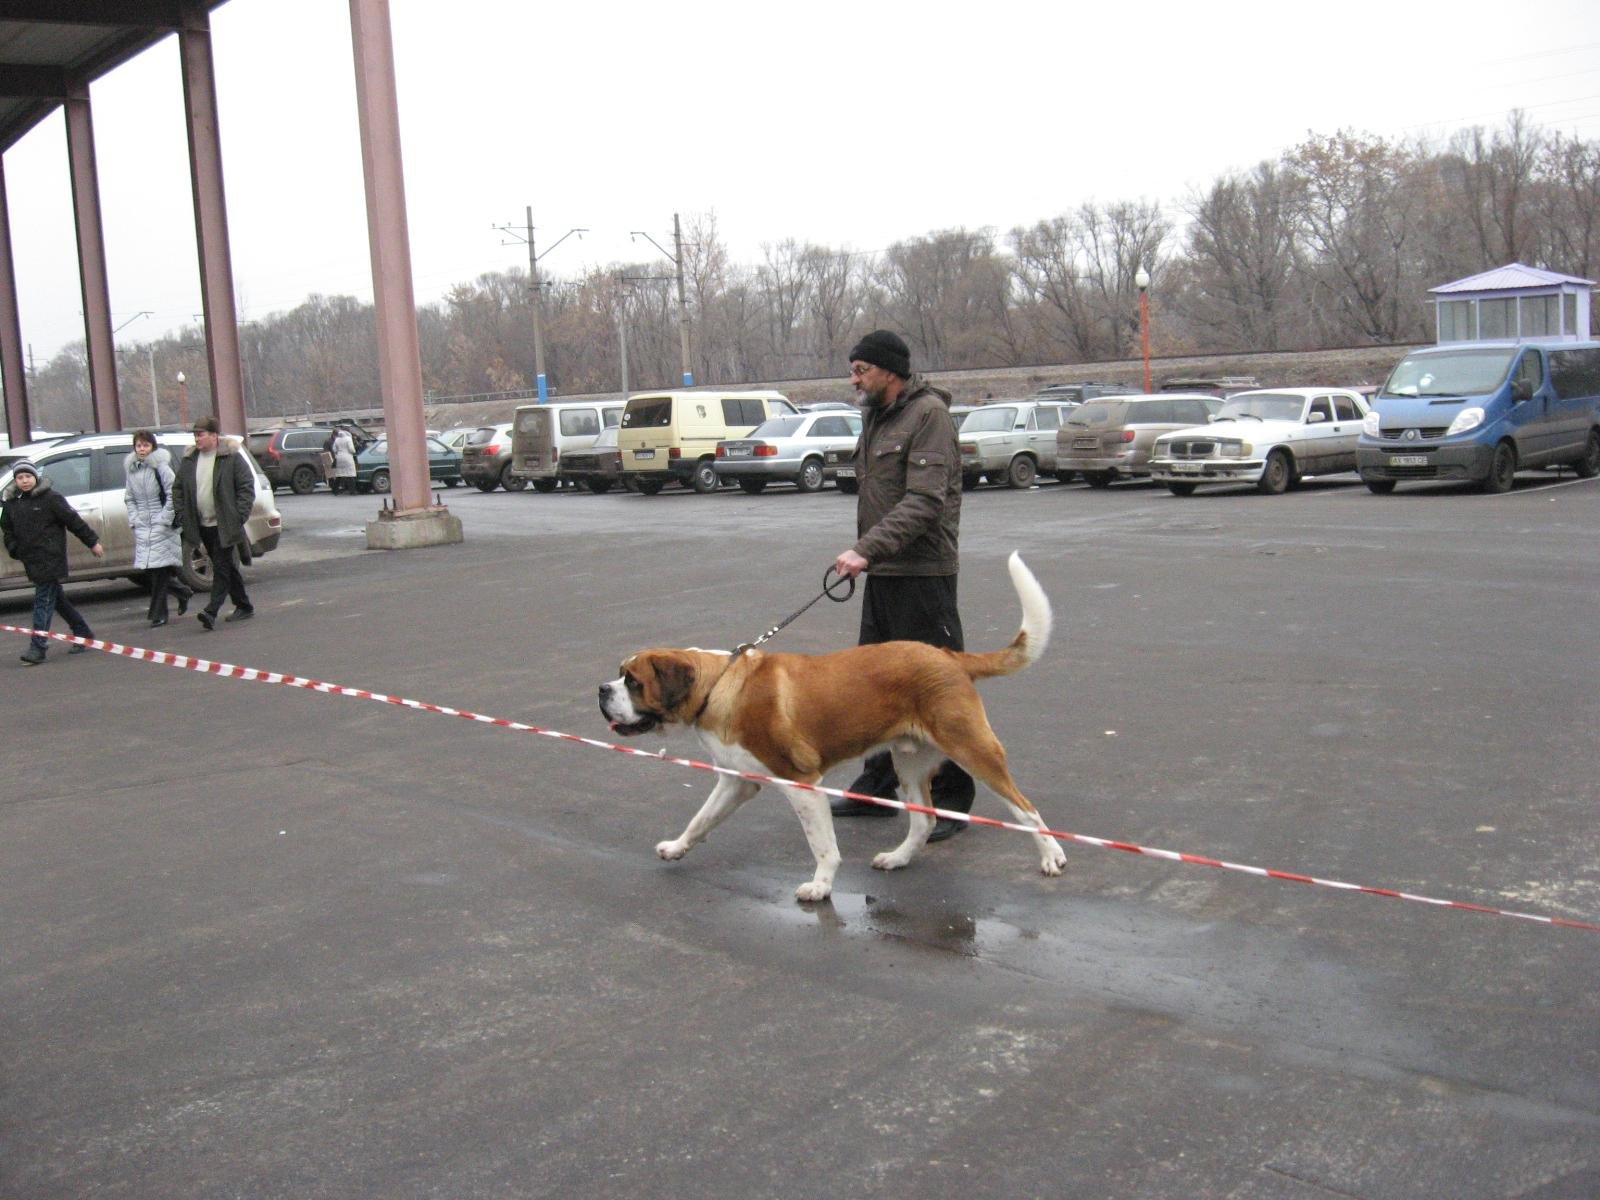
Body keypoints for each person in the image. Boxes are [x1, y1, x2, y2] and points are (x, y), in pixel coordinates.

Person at [830, 329, 975, 842]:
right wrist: (869, 556)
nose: (854, 379)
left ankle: (954, 801)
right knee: (872, 688)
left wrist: (866, 548)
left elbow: (925, 501)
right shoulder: (875, 416)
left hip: (923, 576)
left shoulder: (928, 414)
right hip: (884, 575)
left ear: (890, 371)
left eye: (861, 370)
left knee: (936, 691)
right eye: (853, 369)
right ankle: (877, 788)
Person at [1, 460, 104, 664]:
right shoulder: (12, 504)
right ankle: (82, 631)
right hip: (31, 559)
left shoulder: (51, 498)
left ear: (35, 477)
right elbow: (7, 531)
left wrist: (92, 542)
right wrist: (15, 549)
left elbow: (73, 521)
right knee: (55, 599)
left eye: (28, 477)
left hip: (51, 558)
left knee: (43, 601)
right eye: (20, 478)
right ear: (15, 481)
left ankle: (38, 647)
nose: (25, 481)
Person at [171, 416, 256, 631]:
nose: (197, 438)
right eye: (195, 435)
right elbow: (178, 489)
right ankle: (244, 605)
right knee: (225, 565)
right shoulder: (190, 460)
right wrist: (183, 514)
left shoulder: (231, 457)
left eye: (201, 434)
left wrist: (238, 516)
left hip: (226, 524)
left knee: (220, 566)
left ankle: (211, 611)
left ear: (214, 435)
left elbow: (246, 487)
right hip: (202, 524)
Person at [124, 430, 193, 626]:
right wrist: (135, 518)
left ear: (152, 446)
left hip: (161, 524)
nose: (142, 449)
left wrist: (165, 518)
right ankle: (183, 592)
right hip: (143, 526)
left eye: (145, 445)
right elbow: (129, 498)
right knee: (151, 571)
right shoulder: (132, 470)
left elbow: (173, 493)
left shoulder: (161, 468)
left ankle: (158, 614)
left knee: (159, 572)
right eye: (138, 445)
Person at [330, 426, 357, 495]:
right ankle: (352, 491)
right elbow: (351, 449)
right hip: (347, 457)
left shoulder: (337, 439)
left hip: (339, 458)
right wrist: (354, 452)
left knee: (339, 474)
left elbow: (334, 449)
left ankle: (335, 491)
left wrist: (338, 453)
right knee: (351, 474)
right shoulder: (348, 438)